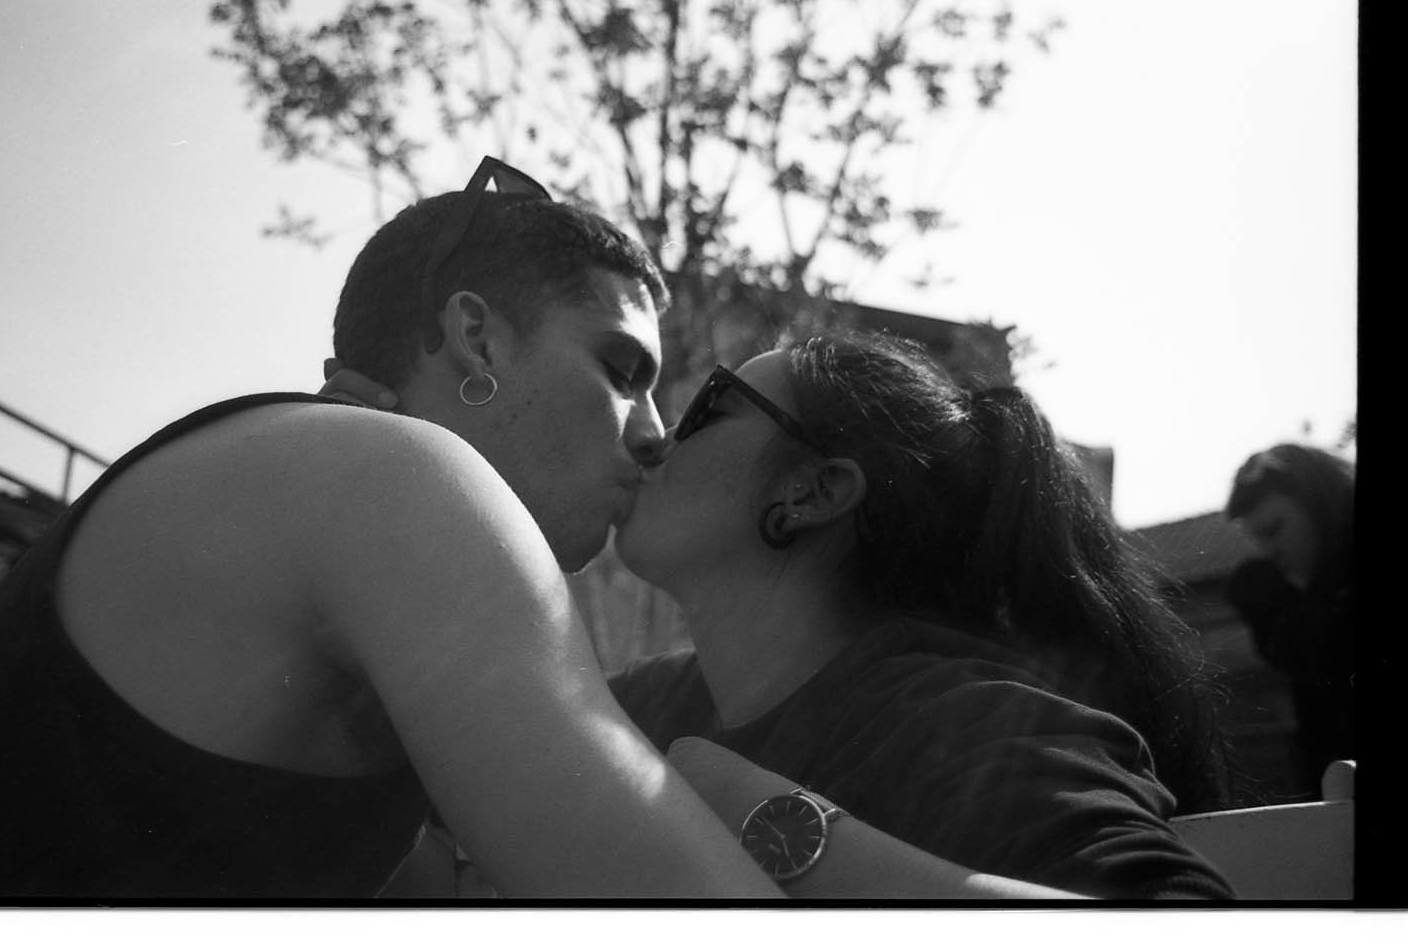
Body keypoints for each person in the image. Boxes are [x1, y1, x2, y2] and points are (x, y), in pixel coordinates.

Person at [0, 158, 1073, 902]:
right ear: (476, 338)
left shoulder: (307, 523)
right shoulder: (396, 475)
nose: (655, 433)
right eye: (622, 370)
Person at [327, 331, 1238, 900]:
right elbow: (435, 873)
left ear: (811, 491)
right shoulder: (641, 708)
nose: (654, 436)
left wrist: (765, 820)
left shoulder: (976, 726)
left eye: (707, 408)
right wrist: (370, 488)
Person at [1224, 443, 1355, 798]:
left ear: (1318, 506)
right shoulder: (1279, 592)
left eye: (1274, 530)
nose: (1268, 551)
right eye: (1256, 538)